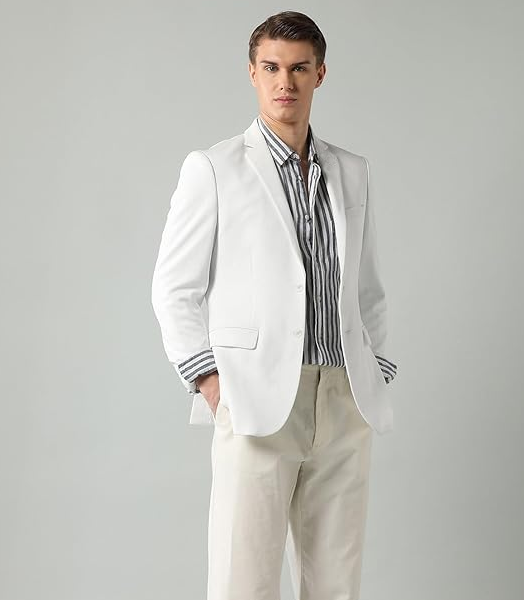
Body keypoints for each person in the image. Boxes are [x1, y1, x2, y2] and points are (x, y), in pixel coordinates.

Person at [151, 10, 398, 600]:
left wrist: (375, 371)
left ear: (320, 74)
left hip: (343, 400)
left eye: (299, 68)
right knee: (243, 583)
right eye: (271, 68)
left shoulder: (352, 172)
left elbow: (367, 288)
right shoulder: (214, 169)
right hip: (255, 398)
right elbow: (173, 287)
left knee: (336, 585)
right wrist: (212, 382)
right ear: (252, 73)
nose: (284, 81)